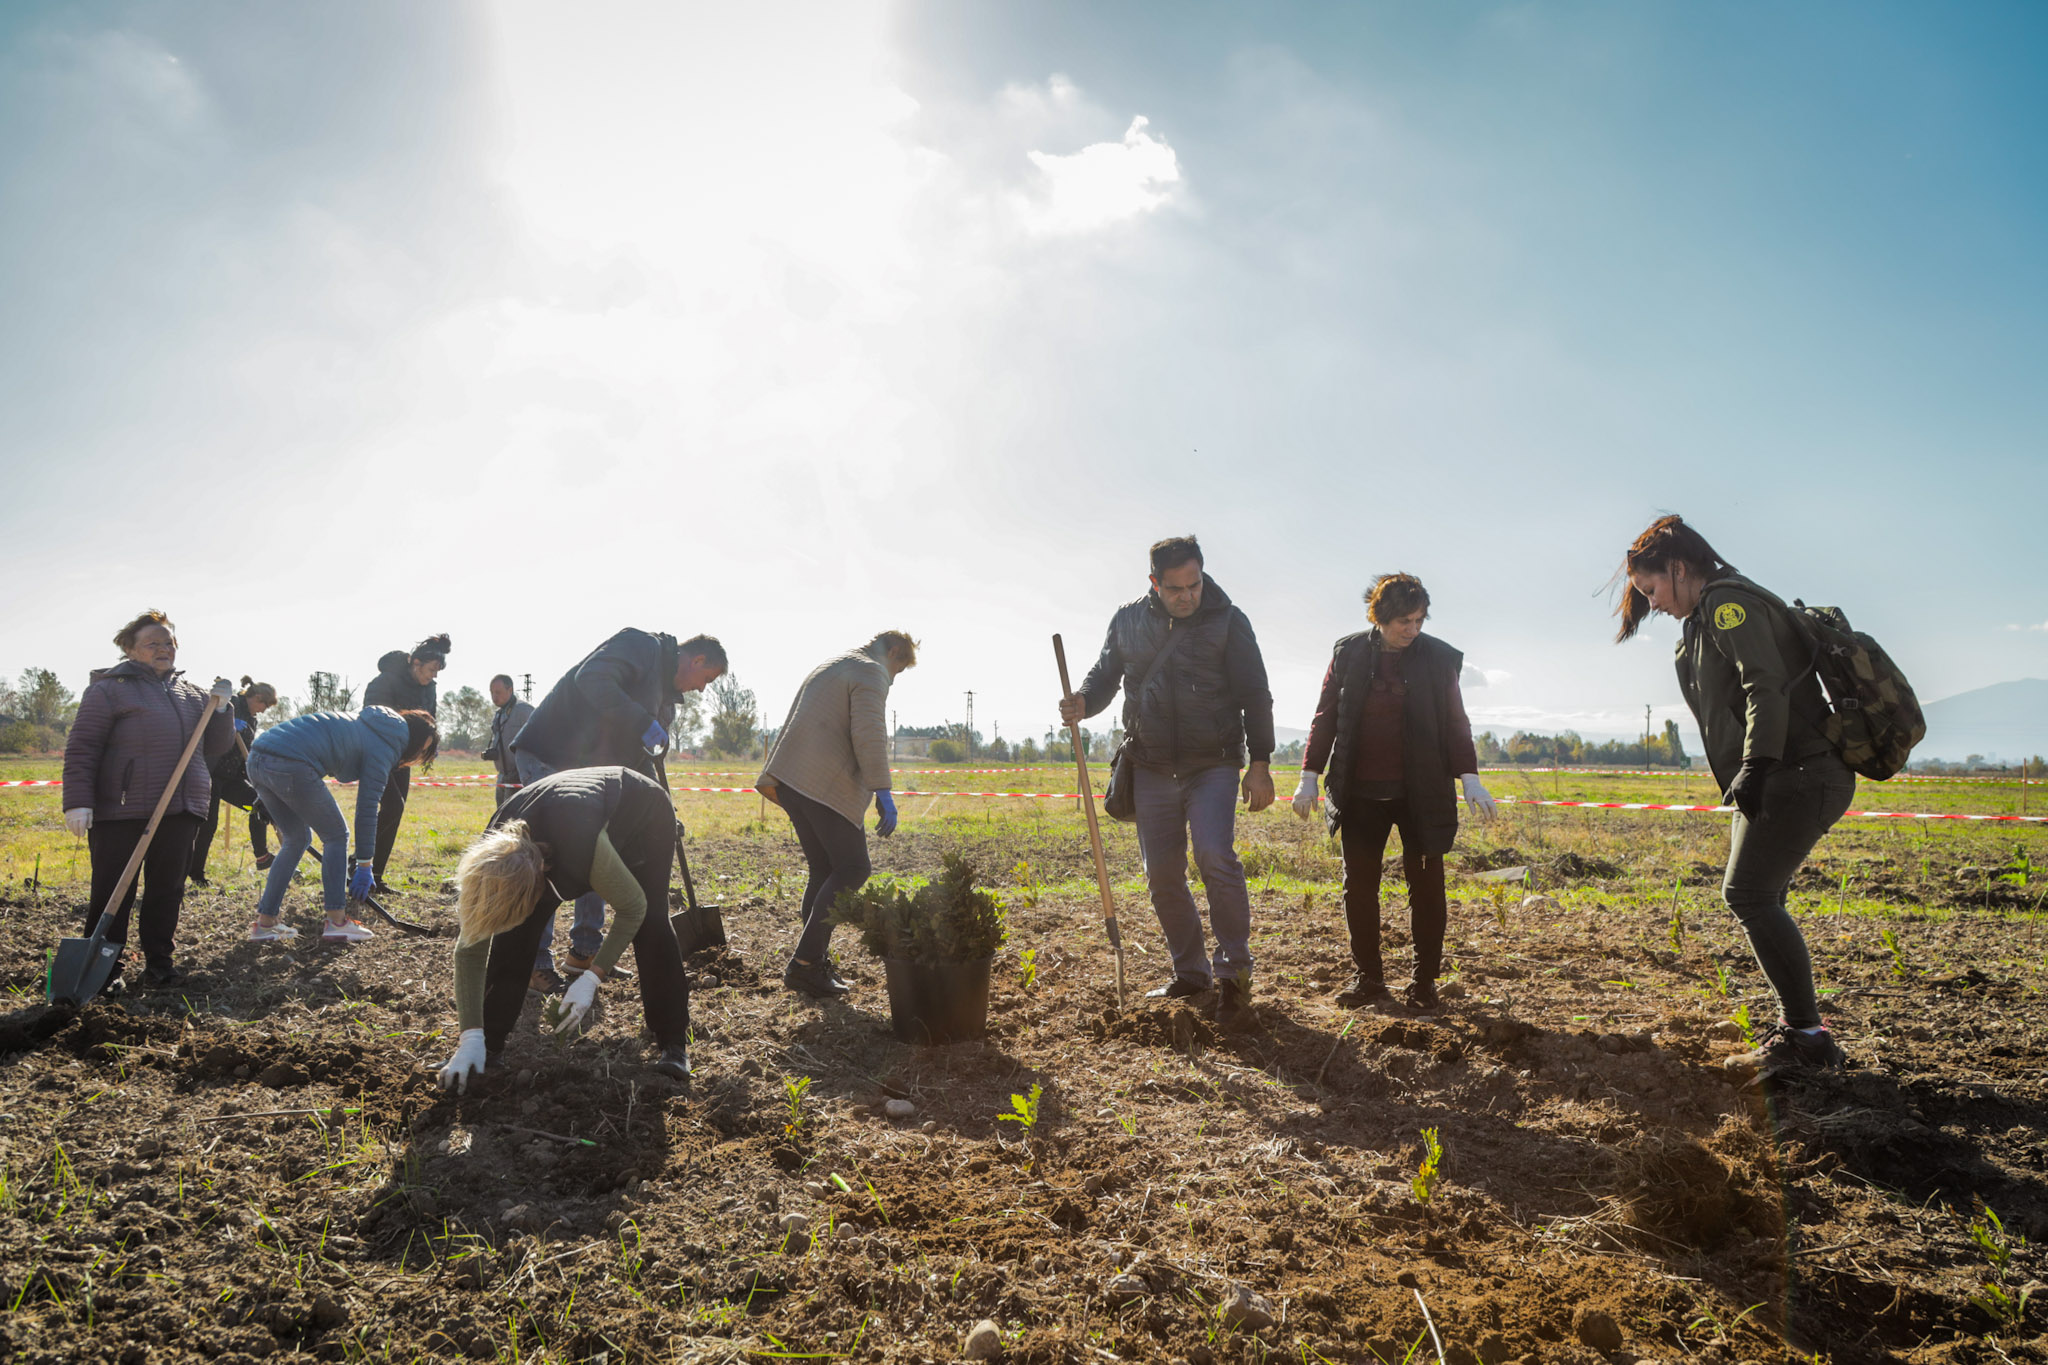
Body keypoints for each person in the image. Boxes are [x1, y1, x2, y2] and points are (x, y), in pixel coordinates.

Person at [1617, 514, 1853, 1078]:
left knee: (1748, 893)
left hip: (1797, 770)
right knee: (1761, 895)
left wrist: (1755, 763)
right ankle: (1802, 1033)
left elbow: (1762, 684)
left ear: (1678, 568)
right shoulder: (1705, 617)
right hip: (1784, 772)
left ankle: (1807, 1038)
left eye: (1652, 589)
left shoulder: (1729, 604)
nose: (1653, 604)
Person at [1059, 536, 1274, 1017]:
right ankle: (1190, 973)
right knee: (1160, 874)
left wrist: (1259, 763)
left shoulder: (1228, 620)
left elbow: (1256, 695)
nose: (1187, 596)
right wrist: (1083, 702)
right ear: (1154, 583)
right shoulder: (1128, 620)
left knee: (1214, 856)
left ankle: (1234, 976)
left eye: (1194, 585)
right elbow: (1105, 675)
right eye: (1175, 588)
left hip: (1213, 762)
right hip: (1151, 764)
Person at [1293, 574, 1498, 1011]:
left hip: (1420, 794)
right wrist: (1309, 775)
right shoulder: (1348, 654)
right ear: (1380, 616)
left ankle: (1424, 985)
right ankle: (1368, 979)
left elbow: (1455, 721)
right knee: (1358, 887)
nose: (1413, 629)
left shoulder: (1438, 659)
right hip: (1359, 794)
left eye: (1419, 620)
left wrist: (1470, 777)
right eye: (1405, 621)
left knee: (1427, 888)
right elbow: (1326, 717)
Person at [434, 766, 694, 1091]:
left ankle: (673, 1043)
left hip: (642, 813)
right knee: (513, 937)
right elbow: (469, 950)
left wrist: (592, 977)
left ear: (543, 877)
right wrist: (470, 1035)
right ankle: (487, 1045)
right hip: (564, 817)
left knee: (652, 922)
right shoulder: (491, 860)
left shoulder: (583, 849)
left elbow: (633, 908)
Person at [512, 629, 726, 983]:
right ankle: (533, 963)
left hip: (590, 773)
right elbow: (591, 678)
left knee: (603, 848)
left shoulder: (665, 704)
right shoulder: (641, 646)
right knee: (548, 855)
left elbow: (642, 762)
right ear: (697, 660)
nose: (702, 689)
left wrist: (663, 811)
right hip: (550, 754)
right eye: (707, 679)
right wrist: (641, 721)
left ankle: (584, 953)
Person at [61, 610, 237, 989]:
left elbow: (216, 746)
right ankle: (104, 970)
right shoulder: (109, 690)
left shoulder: (194, 695)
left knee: (167, 890)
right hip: (121, 809)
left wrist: (222, 709)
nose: (163, 649)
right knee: (113, 891)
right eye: (152, 643)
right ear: (130, 649)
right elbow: (83, 747)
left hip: (181, 808)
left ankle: (159, 963)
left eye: (168, 642)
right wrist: (77, 800)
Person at [757, 631, 916, 997]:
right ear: (892, 652)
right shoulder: (871, 671)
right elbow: (869, 733)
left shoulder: (835, 664)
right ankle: (805, 964)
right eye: (898, 669)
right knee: (854, 868)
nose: (893, 679)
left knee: (824, 869)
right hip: (821, 785)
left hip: (791, 780)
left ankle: (813, 963)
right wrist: (882, 789)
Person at [244, 706, 439, 944]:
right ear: (415, 741)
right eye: (423, 750)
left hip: (258, 757)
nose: (419, 756)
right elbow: (368, 806)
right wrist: (365, 864)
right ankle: (337, 922)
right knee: (336, 836)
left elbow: (305, 742)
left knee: (296, 839)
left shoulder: (371, 726)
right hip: (289, 762)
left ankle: (265, 924)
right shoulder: (387, 745)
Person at [362, 633, 449, 893]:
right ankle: (360, 865)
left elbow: (430, 719)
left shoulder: (430, 688)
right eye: (431, 670)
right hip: (377, 753)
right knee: (392, 805)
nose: (433, 676)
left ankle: (375, 876)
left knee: (395, 811)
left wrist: (429, 744)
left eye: (437, 672)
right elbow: (373, 717)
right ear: (416, 663)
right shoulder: (385, 681)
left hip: (404, 757)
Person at [189, 677, 278, 885]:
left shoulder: (252, 719)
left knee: (258, 806)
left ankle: (262, 855)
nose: (263, 711)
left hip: (231, 780)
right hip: (211, 775)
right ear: (257, 697)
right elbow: (207, 726)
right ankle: (196, 873)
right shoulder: (231, 705)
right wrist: (229, 727)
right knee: (209, 825)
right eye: (264, 706)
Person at [480, 674, 535, 810]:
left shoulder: (524, 711)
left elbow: (538, 740)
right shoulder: (498, 714)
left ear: (510, 690)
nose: (494, 697)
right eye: (492, 692)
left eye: (498, 692)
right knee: (500, 815)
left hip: (521, 776)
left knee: (512, 816)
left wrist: (523, 769)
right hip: (503, 776)